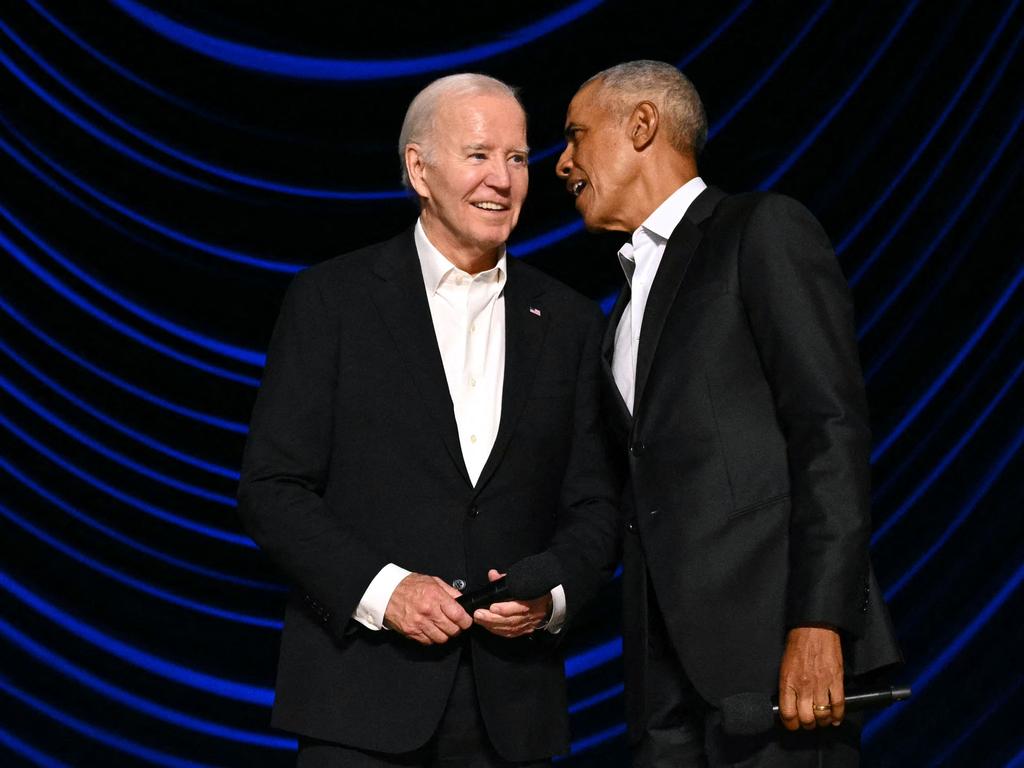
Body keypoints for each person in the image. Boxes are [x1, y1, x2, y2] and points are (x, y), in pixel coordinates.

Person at [237, 73, 619, 767]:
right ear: (419, 168)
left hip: (513, 715)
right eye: (478, 155)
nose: (502, 180)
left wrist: (552, 591)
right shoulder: (333, 301)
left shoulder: (569, 322)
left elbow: (596, 502)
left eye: (516, 158)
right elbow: (271, 487)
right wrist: (387, 592)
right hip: (360, 703)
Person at [554, 61, 902, 767]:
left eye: (575, 137)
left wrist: (819, 621)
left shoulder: (759, 231)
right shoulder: (618, 316)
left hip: (777, 666)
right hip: (664, 692)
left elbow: (828, 429)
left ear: (643, 124)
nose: (562, 164)